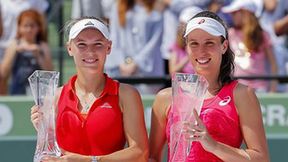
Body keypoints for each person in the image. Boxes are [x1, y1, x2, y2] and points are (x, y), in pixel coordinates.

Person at [149, 11, 270, 162]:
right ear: (186, 47)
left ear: (224, 46)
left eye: (209, 43)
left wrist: (213, 145)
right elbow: (152, 158)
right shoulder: (165, 98)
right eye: (194, 43)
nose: (201, 51)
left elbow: (261, 158)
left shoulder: (242, 94)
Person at [30, 17, 148, 161]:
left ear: (108, 47)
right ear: (69, 48)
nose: (90, 51)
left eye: (98, 44)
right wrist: (45, 134)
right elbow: (48, 157)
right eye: (81, 44)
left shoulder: (126, 95)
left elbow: (140, 153)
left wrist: (90, 160)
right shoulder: (54, 97)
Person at [222, 0, 278, 92]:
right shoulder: (230, 34)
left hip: (260, 88)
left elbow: (273, 64)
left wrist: (273, 90)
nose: (232, 16)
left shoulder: (263, 35)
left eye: (235, 12)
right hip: (237, 86)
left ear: (246, 13)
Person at [1, 9, 53, 95]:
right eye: (25, 26)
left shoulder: (43, 46)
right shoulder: (14, 45)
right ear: (19, 27)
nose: (29, 29)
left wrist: (38, 56)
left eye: (32, 26)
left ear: (38, 28)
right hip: (17, 91)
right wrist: (14, 52)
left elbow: (50, 73)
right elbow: (4, 72)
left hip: (39, 92)